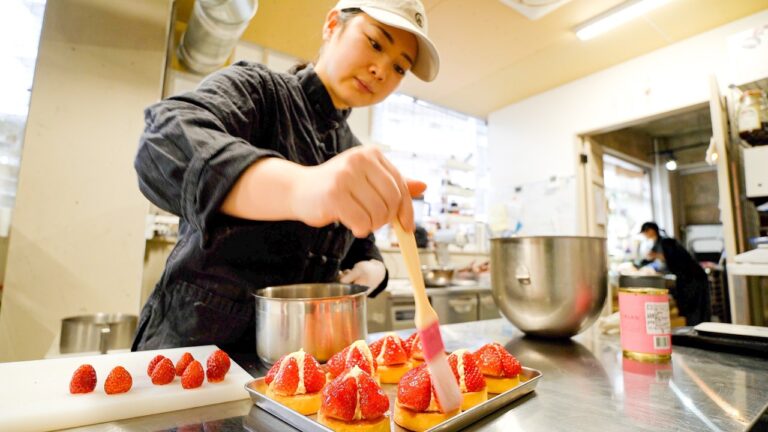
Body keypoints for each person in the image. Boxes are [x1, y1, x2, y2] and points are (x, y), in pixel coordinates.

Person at [131, 0, 440, 353]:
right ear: (331, 25)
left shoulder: (350, 149)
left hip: (296, 363)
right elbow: (163, 141)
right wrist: (300, 188)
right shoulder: (259, 91)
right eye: (374, 43)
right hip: (195, 353)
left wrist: (374, 269)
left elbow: (358, 243)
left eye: (400, 67)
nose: (381, 70)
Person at [639, 222, 711, 325]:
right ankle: (692, 326)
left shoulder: (666, 242)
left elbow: (672, 258)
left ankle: (699, 328)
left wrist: (657, 256)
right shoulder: (657, 243)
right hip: (684, 277)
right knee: (686, 304)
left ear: (651, 230)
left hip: (693, 276)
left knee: (696, 304)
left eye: (645, 232)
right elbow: (650, 259)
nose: (645, 235)